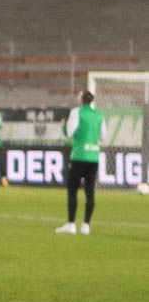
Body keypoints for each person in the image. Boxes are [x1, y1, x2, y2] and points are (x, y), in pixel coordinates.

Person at [57, 90, 103, 235]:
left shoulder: (76, 112)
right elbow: (104, 136)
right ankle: (86, 226)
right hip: (94, 157)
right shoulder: (99, 114)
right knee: (90, 191)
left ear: (81, 99)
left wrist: (63, 126)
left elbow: (69, 133)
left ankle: (71, 224)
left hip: (79, 156)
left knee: (72, 190)